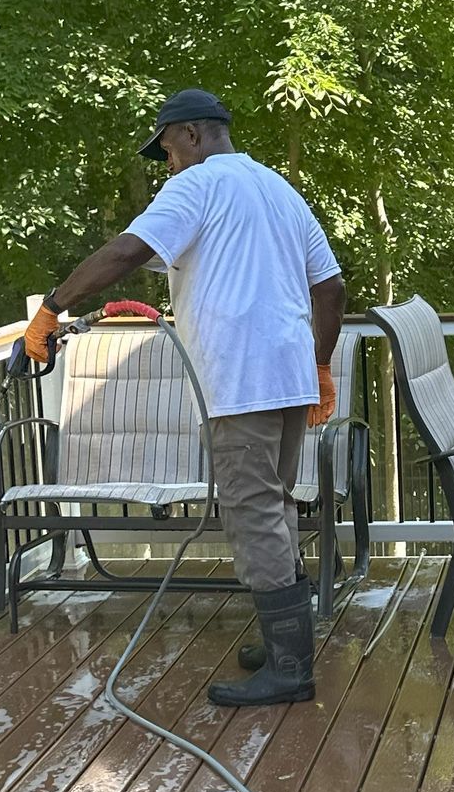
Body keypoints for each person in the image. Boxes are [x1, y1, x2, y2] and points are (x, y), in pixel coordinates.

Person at [23, 88, 345, 706]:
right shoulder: (278, 189)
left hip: (243, 381)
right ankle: (286, 642)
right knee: (274, 505)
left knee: (252, 513)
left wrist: (52, 308)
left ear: (193, 136)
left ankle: (291, 670)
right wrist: (320, 364)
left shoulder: (195, 187)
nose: (168, 165)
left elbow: (126, 251)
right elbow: (329, 289)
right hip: (286, 377)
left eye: (168, 150)